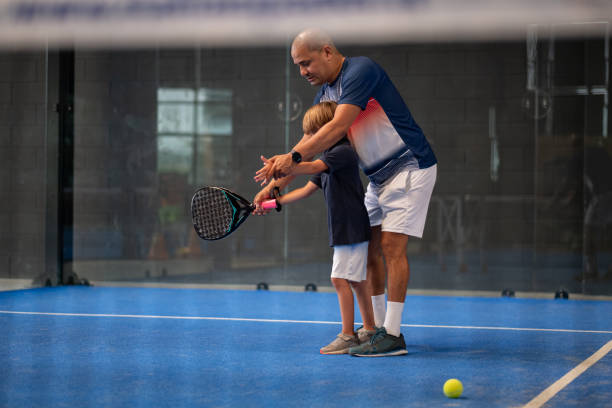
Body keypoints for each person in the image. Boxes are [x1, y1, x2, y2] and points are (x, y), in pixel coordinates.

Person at [254, 28, 437, 357]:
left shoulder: (360, 70)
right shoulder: (323, 95)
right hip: (378, 179)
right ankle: (376, 329)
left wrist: (291, 160)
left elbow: (336, 128)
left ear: (327, 52)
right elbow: (312, 144)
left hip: (411, 165)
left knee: (392, 247)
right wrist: (273, 185)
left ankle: (393, 335)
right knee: (368, 253)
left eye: (306, 62)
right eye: (297, 65)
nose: (303, 71)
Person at [273, 101, 376, 354]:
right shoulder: (327, 157)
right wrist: (274, 202)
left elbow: (312, 166)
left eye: (312, 133)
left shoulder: (342, 152)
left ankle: (348, 336)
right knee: (356, 281)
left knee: (339, 279)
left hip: (351, 225)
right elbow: (307, 189)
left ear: (327, 130)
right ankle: (371, 330)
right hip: (346, 227)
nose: (309, 139)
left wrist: (284, 163)